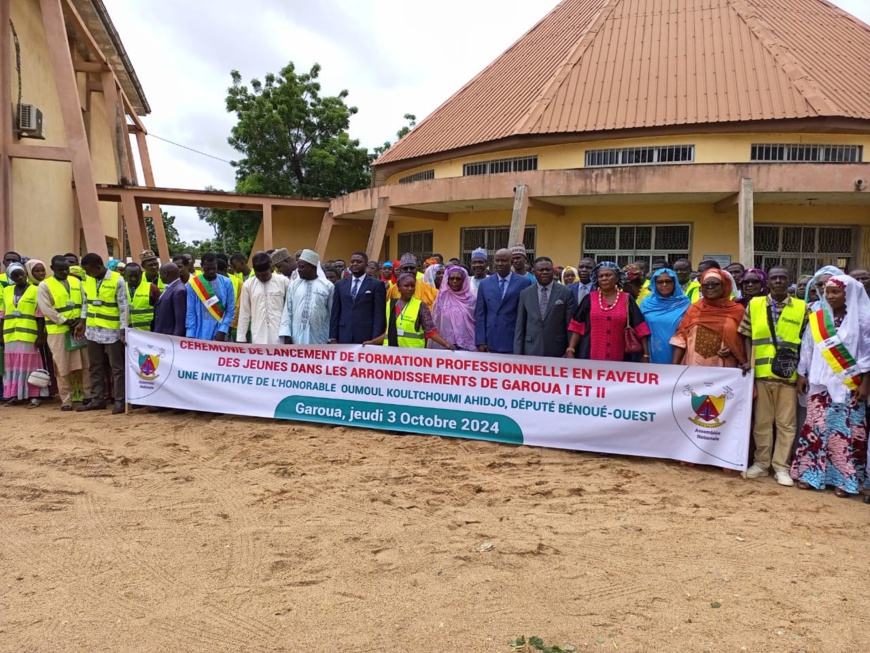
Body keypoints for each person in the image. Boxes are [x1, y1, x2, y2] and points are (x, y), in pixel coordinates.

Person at [791, 275, 870, 497]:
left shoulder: (863, 320)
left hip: (848, 385)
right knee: (815, 429)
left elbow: (867, 355)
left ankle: (844, 481)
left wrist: (865, 384)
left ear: (850, 294)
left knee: (845, 434)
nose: (830, 296)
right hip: (819, 383)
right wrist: (801, 374)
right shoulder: (819, 318)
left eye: (836, 291)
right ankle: (810, 474)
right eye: (828, 291)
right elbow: (807, 347)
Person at [739, 265, 806, 486]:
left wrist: (802, 373)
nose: (778, 281)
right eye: (774, 278)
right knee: (762, 423)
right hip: (760, 373)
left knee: (786, 424)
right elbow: (746, 335)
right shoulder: (755, 304)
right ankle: (761, 464)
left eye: (783, 278)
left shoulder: (802, 308)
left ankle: (781, 467)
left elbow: (807, 344)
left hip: (788, 375)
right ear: (768, 282)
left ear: (789, 281)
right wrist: (749, 361)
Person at [75, 253, 128, 414]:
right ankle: (97, 399)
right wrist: (82, 322)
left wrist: (123, 330)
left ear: (98, 267)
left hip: (111, 332)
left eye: (88, 270)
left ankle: (120, 401)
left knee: (117, 368)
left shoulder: (117, 280)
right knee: (94, 367)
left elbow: (124, 307)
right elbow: (86, 303)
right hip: (92, 331)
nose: (87, 273)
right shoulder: (87, 280)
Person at [566, 262, 650, 362]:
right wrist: (571, 349)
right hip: (590, 355)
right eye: (601, 276)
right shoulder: (589, 299)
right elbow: (578, 326)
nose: (604, 278)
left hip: (621, 358)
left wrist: (645, 354)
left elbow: (639, 327)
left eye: (608, 275)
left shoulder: (627, 299)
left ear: (617, 278)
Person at [37, 255, 90, 410]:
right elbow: (46, 309)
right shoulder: (44, 285)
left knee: (86, 363)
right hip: (58, 331)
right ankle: (66, 400)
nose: (65, 272)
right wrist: (65, 321)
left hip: (79, 329)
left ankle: (88, 395)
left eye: (66, 268)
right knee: (62, 366)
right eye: (61, 270)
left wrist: (81, 321)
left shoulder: (76, 281)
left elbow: (85, 302)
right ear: (52, 269)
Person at [670, 269, 746, 368]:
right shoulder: (694, 309)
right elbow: (681, 338)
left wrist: (733, 348)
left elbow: (745, 339)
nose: (710, 287)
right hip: (693, 366)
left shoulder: (737, 310)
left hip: (724, 368)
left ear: (724, 286)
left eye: (715, 284)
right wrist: (673, 367)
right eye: (706, 285)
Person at [363, 274, 455, 350]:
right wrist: (372, 342)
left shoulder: (420, 305)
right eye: (406, 286)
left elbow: (430, 330)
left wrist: (445, 344)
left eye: (412, 286)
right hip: (391, 354)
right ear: (399, 287)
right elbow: (388, 333)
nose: (410, 288)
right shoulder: (390, 305)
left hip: (412, 355)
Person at [1, 263, 48, 407]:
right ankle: (15, 395)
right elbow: (2, 314)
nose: (20, 277)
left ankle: (34, 396)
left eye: (22, 274)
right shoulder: (7, 291)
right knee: (12, 366)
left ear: (26, 274)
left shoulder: (35, 290)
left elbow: (40, 315)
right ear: (11, 278)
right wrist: (1, 334)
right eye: (16, 276)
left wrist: (41, 336)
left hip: (29, 335)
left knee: (30, 366)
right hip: (10, 334)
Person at [475, 248, 534, 354]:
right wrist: (480, 340)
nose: (500, 263)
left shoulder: (524, 282)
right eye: (497, 260)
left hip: (513, 337)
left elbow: (528, 314)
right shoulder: (485, 283)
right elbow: (480, 314)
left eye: (504, 260)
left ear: (511, 262)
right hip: (491, 338)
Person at [514, 257, 576, 358]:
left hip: (557, 349)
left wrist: (570, 349)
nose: (545, 272)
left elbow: (569, 324)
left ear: (553, 271)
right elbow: (520, 325)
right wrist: (517, 353)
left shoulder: (565, 292)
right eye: (541, 270)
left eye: (548, 269)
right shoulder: (525, 293)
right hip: (531, 349)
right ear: (534, 272)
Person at [329, 251, 386, 345]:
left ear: (366, 265)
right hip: (343, 334)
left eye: (359, 262)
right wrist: (333, 337)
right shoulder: (340, 284)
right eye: (352, 262)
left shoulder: (376, 284)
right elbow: (335, 312)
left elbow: (379, 314)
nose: (355, 264)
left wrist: (375, 340)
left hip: (366, 336)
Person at [280, 249, 334, 345]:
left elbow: (332, 313)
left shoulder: (327, 286)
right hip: (296, 337)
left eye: (301, 267)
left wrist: (331, 337)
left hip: (320, 338)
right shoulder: (294, 285)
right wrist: (286, 334)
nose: (299, 270)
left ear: (312, 267)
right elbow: (287, 311)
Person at [237, 251, 291, 345]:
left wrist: (289, 334)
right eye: (258, 275)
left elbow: (290, 310)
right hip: (258, 336)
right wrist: (241, 338)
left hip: (280, 335)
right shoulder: (248, 285)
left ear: (270, 268)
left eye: (265, 274)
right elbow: (244, 313)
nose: (262, 277)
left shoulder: (284, 282)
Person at [639, 268, 690, 365]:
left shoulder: (684, 303)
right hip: (652, 351)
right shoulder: (646, 303)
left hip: (677, 351)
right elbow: (641, 328)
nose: (664, 285)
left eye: (668, 281)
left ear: (675, 283)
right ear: (654, 284)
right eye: (660, 282)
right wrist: (645, 354)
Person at [186, 253, 235, 342]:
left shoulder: (226, 282)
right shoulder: (193, 284)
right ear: (201, 266)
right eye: (207, 269)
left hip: (220, 331)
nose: (211, 271)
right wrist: (190, 334)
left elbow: (230, 309)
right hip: (200, 332)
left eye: (213, 268)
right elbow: (190, 311)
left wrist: (222, 330)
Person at [430, 266, 477, 351]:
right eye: (451, 278)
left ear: (464, 281)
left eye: (458, 279)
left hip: (467, 347)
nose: (454, 281)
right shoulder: (441, 298)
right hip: (445, 345)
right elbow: (434, 321)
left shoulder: (471, 300)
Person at [153, 263, 187, 337]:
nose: (160, 277)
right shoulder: (170, 288)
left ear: (166, 273)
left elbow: (180, 321)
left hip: (169, 337)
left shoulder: (179, 291)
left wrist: (174, 340)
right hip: (162, 335)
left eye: (160, 274)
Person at [124, 263, 160, 331]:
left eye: (136, 276)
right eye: (130, 276)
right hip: (127, 332)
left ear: (141, 274)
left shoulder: (151, 288)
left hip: (147, 333)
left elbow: (160, 312)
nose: (133, 279)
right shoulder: (120, 288)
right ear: (124, 275)